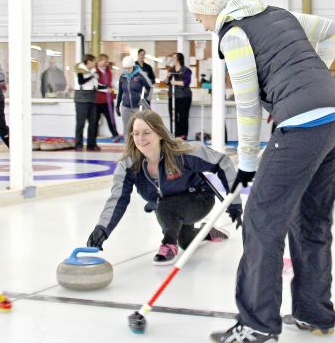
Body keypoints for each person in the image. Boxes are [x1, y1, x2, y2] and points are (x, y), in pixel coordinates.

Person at [188, 0, 335, 343]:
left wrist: (246, 164)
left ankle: (257, 322)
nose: (199, 24)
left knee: (262, 219)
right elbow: (331, 31)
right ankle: (315, 313)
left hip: (303, 123)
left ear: (209, 8)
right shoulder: (276, 13)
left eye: (197, 16)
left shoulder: (233, 33)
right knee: (312, 218)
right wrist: (313, 77)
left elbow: (246, 106)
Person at [86, 109, 243, 265]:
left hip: (198, 198)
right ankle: (206, 230)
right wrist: (102, 228)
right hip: (167, 206)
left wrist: (234, 203)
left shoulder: (182, 153)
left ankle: (168, 244)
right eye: (136, 133)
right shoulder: (129, 165)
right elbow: (117, 199)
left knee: (165, 209)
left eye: (146, 132)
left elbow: (223, 162)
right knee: (186, 242)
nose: (140, 138)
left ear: (160, 133)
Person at [116, 56, 152, 138]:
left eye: (129, 68)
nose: (127, 70)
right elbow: (120, 92)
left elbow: (150, 87)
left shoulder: (140, 75)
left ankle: (139, 148)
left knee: (139, 129)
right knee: (127, 129)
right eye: (126, 68)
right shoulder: (123, 76)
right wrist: (117, 105)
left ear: (133, 66)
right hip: (125, 107)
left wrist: (146, 100)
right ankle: (128, 148)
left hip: (138, 107)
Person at [74, 54, 100, 150]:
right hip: (82, 98)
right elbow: (81, 81)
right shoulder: (79, 69)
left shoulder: (92, 71)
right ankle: (78, 144)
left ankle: (91, 144)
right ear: (88, 61)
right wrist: (92, 76)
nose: (95, 63)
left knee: (93, 122)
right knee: (80, 123)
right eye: (93, 61)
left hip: (92, 97)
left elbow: (95, 84)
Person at [94, 54, 121, 142]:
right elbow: (96, 85)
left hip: (108, 100)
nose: (106, 63)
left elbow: (112, 82)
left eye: (107, 62)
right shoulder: (94, 71)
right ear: (99, 61)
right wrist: (106, 89)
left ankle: (115, 135)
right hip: (97, 100)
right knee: (95, 120)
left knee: (111, 118)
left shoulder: (108, 70)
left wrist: (118, 88)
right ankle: (92, 137)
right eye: (104, 61)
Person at [167, 52, 193, 139]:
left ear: (179, 59)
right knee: (173, 117)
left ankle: (182, 136)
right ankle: (173, 135)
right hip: (173, 97)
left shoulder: (186, 70)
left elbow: (186, 82)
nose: (172, 59)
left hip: (184, 97)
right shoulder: (171, 70)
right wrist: (167, 76)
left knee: (183, 117)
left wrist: (175, 82)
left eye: (174, 58)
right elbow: (167, 82)